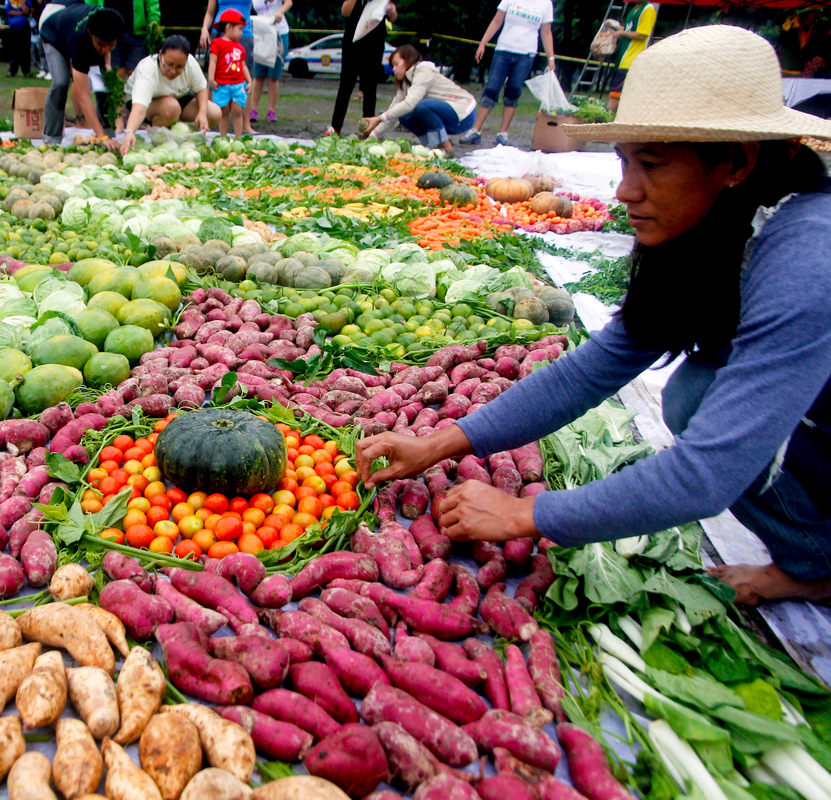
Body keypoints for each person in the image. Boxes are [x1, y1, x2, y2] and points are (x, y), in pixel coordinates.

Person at [356, 25, 831, 608]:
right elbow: (594, 368)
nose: (625, 191)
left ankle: (818, 564)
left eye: (652, 165)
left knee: (696, 397)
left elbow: (709, 473)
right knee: (696, 390)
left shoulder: (810, 254)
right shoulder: (713, 223)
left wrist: (527, 513)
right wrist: (439, 443)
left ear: (735, 161)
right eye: (625, 162)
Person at [459, 0, 555, 146]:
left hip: (525, 54)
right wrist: (483, 43)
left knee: (513, 92)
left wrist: (551, 58)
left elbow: (546, 32)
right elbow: (497, 21)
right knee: (491, 88)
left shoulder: (545, 4)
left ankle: (502, 133)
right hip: (503, 51)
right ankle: (475, 130)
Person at [360, 44, 476, 154]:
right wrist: (371, 137)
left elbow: (410, 103)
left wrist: (378, 118)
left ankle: (448, 150)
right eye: (392, 66)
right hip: (448, 115)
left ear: (408, 60)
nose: (394, 69)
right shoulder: (405, 83)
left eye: (396, 64)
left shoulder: (423, 72)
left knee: (422, 106)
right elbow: (393, 112)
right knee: (404, 116)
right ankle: (434, 148)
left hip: (464, 113)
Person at [40, 4, 124, 147]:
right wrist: (102, 137)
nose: (105, 50)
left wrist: (107, 66)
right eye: (100, 44)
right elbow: (83, 98)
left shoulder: (114, 22)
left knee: (105, 82)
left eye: (111, 45)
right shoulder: (78, 40)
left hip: (75, 27)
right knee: (61, 82)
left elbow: (105, 49)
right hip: (54, 33)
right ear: (91, 34)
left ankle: (108, 131)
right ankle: (51, 138)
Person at [121, 35, 218, 153]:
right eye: (169, 64)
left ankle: (181, 136)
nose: (173, 71)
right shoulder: (147, 69)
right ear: (160, 54)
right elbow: (139, 108)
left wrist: (202, 113)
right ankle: (158, 143)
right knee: (171, 108)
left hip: (176, 97)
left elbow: (201, 88)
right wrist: (130, 131)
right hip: (145, 103)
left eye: (179, 67)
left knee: (214, 113)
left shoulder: (190, 63)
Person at [329, 0, 397, 136]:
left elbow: (393, 17)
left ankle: (368, 128)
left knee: (370, 87)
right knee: (346, 85)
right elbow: (345, 11)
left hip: (375, 42)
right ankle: (335, 127)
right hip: (352, 40)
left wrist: (391, 11)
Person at [200, 0, 255, 132]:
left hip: (244, 32)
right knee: (215, 78)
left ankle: (246, 125)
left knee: (241, 80)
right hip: (219, 31)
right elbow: (210, 11)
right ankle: (209, 120)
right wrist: (204, 29)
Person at [87, 0, 160, 80]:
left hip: (136, 31)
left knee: (136, 71)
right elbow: (90, 3)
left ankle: (134, 91)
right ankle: (120, 91)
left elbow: (152, 2)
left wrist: (154, 20)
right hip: (109, 31)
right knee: (117, 70)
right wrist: (90, 20)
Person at [607, 0, 656, 112]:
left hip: (631, 59)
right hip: (623, 57)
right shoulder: (633, 10)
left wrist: (622, 33)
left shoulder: (648, 9)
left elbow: (642, 34)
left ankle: (604, 120)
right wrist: (617, 27)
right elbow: (630, 30)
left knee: (615, 94)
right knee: (617, 93)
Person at [209, 9, 250, 137]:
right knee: (223, 111)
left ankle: (238, 137)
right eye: (240, 29)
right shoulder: (217, 43)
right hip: (221, 83)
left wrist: (249, 80)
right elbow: (213, 62)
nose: (241, 33)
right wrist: (211, 78)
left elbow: (243, 65)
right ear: (228, 26)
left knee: (237, 111)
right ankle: (223, 137)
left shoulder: (240, 47)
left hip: (238, 83)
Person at [249, 0, 290, 123]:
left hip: (278, 32)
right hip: (261, 32)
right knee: (258, 74)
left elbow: (288, 2)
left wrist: (280, 12)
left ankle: (271, 111)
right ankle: (253, 109)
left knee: (274, 75)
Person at [6, 0, 34, 78]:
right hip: (13, 28)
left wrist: (22, 3)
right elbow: (9, 12)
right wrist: (21, 13)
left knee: (25, 50)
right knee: (14, 50)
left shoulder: (26, 0)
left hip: (24, 28)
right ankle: (13, 70)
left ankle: (26, 71)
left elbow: (27, 11)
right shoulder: (9, 1)